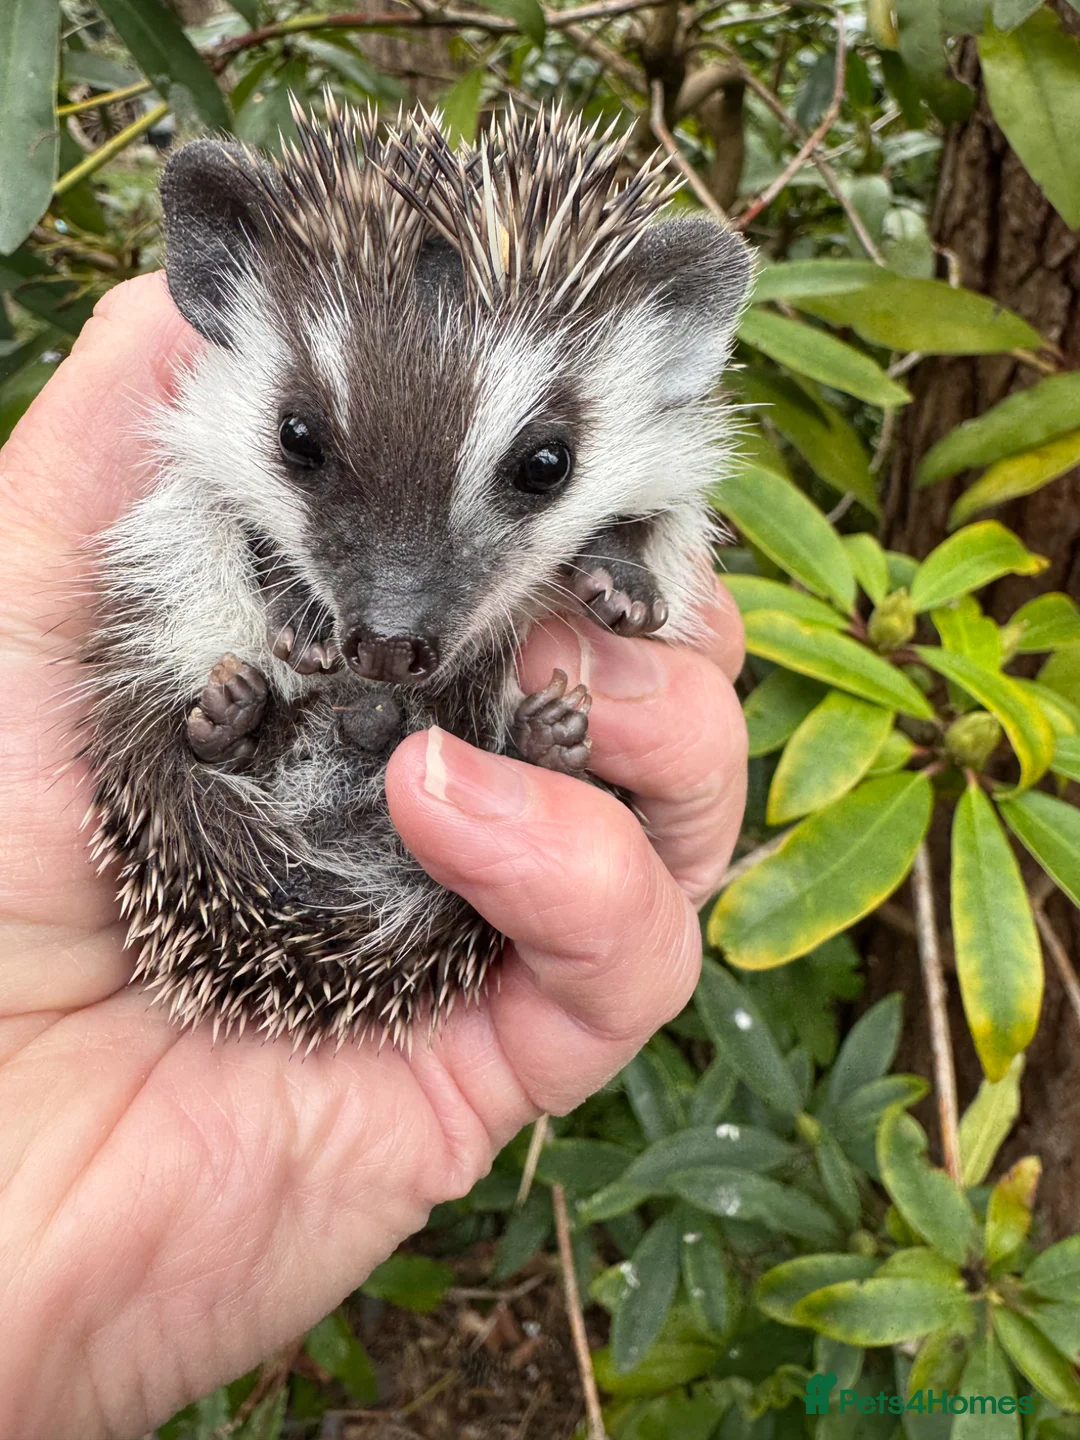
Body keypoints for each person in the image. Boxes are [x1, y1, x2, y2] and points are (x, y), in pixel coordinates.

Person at [0, 272, 748, 1440]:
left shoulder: (636, 467)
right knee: (209, 650)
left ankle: (428, 756)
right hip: (262, 786)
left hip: (350, 800)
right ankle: (299, 744)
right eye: (306, 445)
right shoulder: (209, 417)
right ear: (217, 300)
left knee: (530, 706)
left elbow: (661, 529)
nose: (394, 612)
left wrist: (640, 564)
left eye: (538, 469)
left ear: (666, 360)